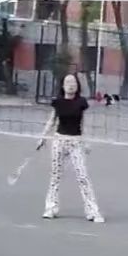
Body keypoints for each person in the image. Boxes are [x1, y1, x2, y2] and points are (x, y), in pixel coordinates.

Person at [38, 74, 104, 223]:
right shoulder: (58, 102)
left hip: (76, 142)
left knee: (83, 176)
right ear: (63, 85)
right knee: (55, 175)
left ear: (77, 85)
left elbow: (83, 123)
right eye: (67, 82)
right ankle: (51, 208)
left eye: (73, 82)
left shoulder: (81, 102)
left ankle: (92, 211)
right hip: (59, 140)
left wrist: (86, 141)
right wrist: (43, 137)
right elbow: (51, 121)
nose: (71, 84)